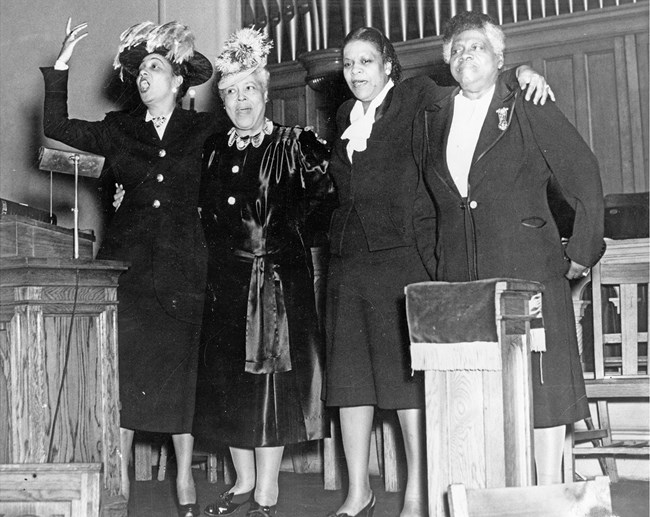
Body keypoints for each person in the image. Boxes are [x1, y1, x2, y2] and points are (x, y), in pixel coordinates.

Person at [324, 26, 553, 517]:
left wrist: (519, 72)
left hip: (401, 256)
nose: (355, 72)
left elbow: (471, 81)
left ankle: (415, 493)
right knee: (350, 382)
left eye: (366, 61)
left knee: (405, 381)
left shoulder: (416, 96)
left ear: (388, 65)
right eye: (348, 64)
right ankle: (357, 493)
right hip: (350, 260)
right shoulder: (345, 115)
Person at [413, 11, 604, 486]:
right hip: (461, 277)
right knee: (474, 396)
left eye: (476, 46)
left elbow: (582, 171)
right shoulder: (434, 116)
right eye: (456, 50)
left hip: (529, 264)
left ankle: (547, 492)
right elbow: (422, 199)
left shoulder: (526, 102)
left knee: (542, 390)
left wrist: (582, 249)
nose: (465, 56)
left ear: (500, 56)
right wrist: (436, 259)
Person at [42, 18, 219, 517]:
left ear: (178, 80)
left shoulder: (205, 128)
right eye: (139, 69)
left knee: (183, 378)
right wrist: (60, 66)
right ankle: (118, 479)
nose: (144, 77)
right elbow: (57, 127)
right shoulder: (119, 130)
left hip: (188, 269)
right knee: (124, 376)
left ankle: (185, 480)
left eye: (155, 67)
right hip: (131, 272)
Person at [191, 28, 336, 517]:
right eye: (229, 92)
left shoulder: (294, 144)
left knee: (268, 386)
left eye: (247, 89)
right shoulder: (214, 150)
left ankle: (267, 492)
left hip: (274, 283)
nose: (239, 100)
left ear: (264, 91)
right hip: (225, 282)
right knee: (229, 383)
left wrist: (287, 242)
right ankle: (242, 481)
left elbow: (325, 204)